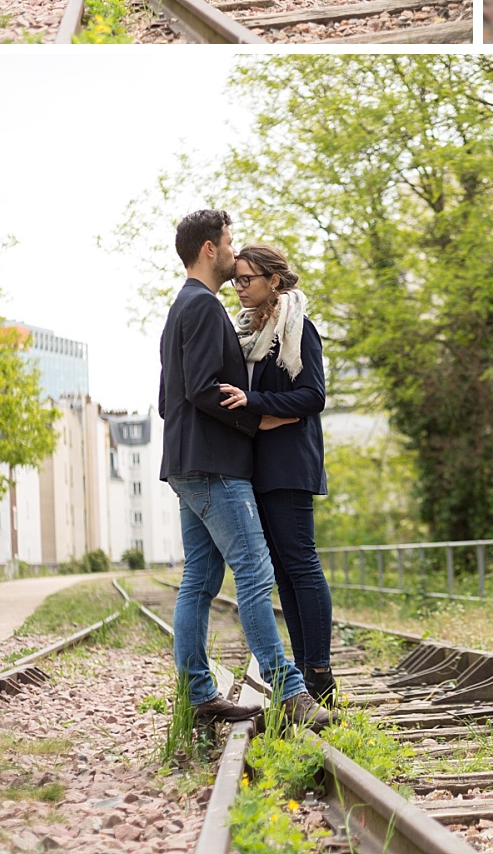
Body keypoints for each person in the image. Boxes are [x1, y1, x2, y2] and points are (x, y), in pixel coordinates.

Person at [158, 209, 331, 732]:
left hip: (188, 463)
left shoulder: (180, 308)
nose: (234, 255)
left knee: (199, 581)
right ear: (210, 249)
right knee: (255, 574)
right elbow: (202, 390)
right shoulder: (206, 309)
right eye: (229, 243)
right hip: (214, 466)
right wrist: (255, 423)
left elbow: (170, 399)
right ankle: (292, 691)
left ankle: (200, 695)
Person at [217, 245, 335, 703]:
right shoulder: (252, 332)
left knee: (301, 564)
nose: (240, 288)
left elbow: (312, 396)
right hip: (260, 463)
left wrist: (256, 404)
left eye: (248, 279)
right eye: (237, 280)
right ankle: (305, 674)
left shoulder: (297, 328)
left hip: (289, 463)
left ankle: (319, 672)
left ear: (274, 281)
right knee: (284, 573)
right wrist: (259, 415)